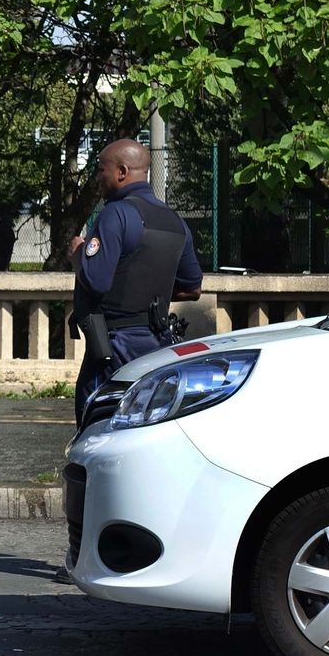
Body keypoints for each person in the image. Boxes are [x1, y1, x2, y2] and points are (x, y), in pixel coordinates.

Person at [57, 137, 203, 583]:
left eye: (102, 168)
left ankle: (84, 555)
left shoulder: (116, 214)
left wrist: (79, 252)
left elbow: (97, 280)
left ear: (122, 172)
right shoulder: (174, 220)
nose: (98, 176)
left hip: (113, 345)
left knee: (96, 446)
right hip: (157, 346)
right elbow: (192, 286)